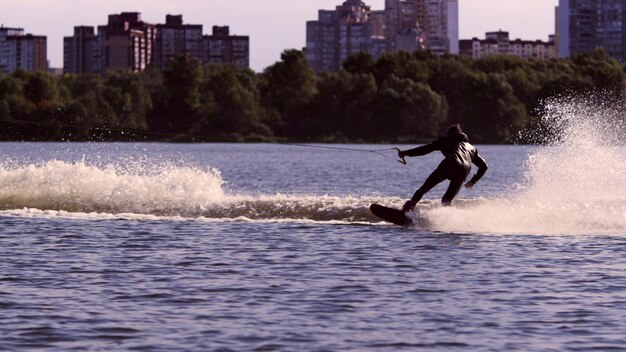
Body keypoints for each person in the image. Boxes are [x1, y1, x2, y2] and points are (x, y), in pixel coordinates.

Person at [398, 124, 488, 213]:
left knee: (423, 189)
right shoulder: (472, 148)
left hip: (449, 165)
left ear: (449, 134)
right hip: (463, 172)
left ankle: (408, 210)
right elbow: (484, 166)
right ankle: (448, 220)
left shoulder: (446, 140)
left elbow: (425, 149)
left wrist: (406, 153)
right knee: (446, 200)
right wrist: (473, 181)